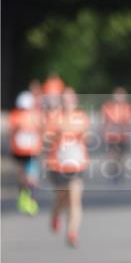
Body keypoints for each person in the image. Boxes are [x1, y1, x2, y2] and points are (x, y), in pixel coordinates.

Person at [43, 87, 90, 247]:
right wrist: (57, 134)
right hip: (58, 165)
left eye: (71, 100)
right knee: (62, 198)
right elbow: (46, 139)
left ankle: (72, 233)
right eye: (65, 100)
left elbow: (87, 136)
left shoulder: (81, 117)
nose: (68, 103)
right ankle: (56, 214)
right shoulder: (54, 118)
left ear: (75, 101)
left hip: (77, 164)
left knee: (75, 199)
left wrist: (82, 135)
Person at [8, 91, 43, 215]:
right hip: (23, 151)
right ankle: (27, 198)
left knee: (27, 177)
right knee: (28, 178)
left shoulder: (31, 115)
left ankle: (28, 198)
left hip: (29, 151)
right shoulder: (18, 116)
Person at [100, 87, 131, 181]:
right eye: (118, 95)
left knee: (121, 155)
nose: (119, 98)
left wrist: (128, 131)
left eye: (122, 96)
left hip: (123, 136)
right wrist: (104, 132)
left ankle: (119, 171)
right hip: (111, 136)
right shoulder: (108, 106)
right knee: (112, 154)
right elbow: (104, 121)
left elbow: (129, 122)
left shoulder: (127, 107)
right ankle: (113, 171)